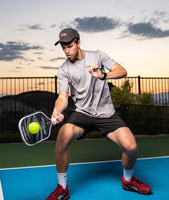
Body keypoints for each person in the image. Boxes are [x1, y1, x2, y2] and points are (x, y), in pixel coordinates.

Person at [46, 28, 151, 200]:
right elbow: (63, 96)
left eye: (69, 46)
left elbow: (122, 71)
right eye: (63, 48)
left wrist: (103, 75)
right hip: (82, 114)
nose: (66, 51)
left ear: (78, 43)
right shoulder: (63, 69)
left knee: (131, 147)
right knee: (63, 136)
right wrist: (57, 111)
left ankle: (128, 180)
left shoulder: (97, 56)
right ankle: (62, 188)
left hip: (106, 114)